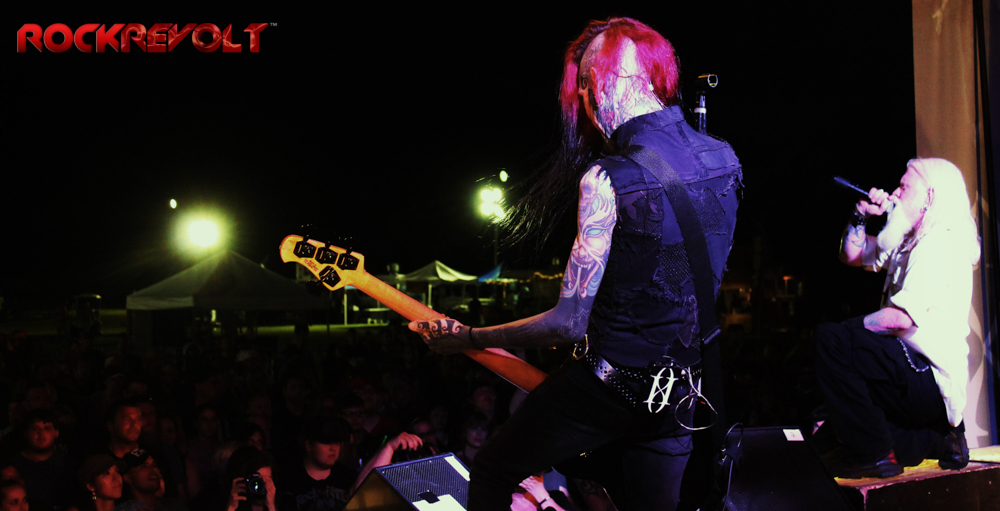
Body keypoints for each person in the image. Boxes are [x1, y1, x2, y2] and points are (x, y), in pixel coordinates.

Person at [410, 17, 741, 511]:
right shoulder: (724, 157)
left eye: (585, 83)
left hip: (611, 390)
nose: (584, 99)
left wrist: (470, 338)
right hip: (681, 398)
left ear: (605, 81)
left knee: (494, 467)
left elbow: (568, 323)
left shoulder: (607, 178)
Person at [815, 158, 980, 478]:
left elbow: (901, 319)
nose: (895, 192)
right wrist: (861, 213)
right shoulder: (910, 243)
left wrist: (845, 334)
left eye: (905, 187)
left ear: (930, 196)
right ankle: (941, 437)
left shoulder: (939, 242)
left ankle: (877, 454)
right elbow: (851, 255)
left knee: (831, 339)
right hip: (913, 382)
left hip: (927, 376)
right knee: (827, 446)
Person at [275, 417, 356, 511]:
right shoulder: (287, 479)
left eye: (336, 442)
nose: (333, 448)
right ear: (308, 445)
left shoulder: (349, 478)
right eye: (326, 442)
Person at [6, 409, 75, 511]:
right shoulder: (13, 467)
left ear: (56, 433)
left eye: (47, 428)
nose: (41, 433)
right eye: (35, 429)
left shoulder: (68, 463)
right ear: (26, 433)